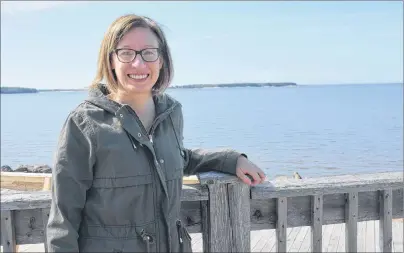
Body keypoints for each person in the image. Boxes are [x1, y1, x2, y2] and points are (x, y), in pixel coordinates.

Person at [46, 14, 266, 253]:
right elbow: (63, 217)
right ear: (110, 60)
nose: (139, 64)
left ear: (161, 59)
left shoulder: (171, 113)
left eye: (149, 52)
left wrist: (231, 159)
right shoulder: (85, 122)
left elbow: (177, 158)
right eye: (126, 52)